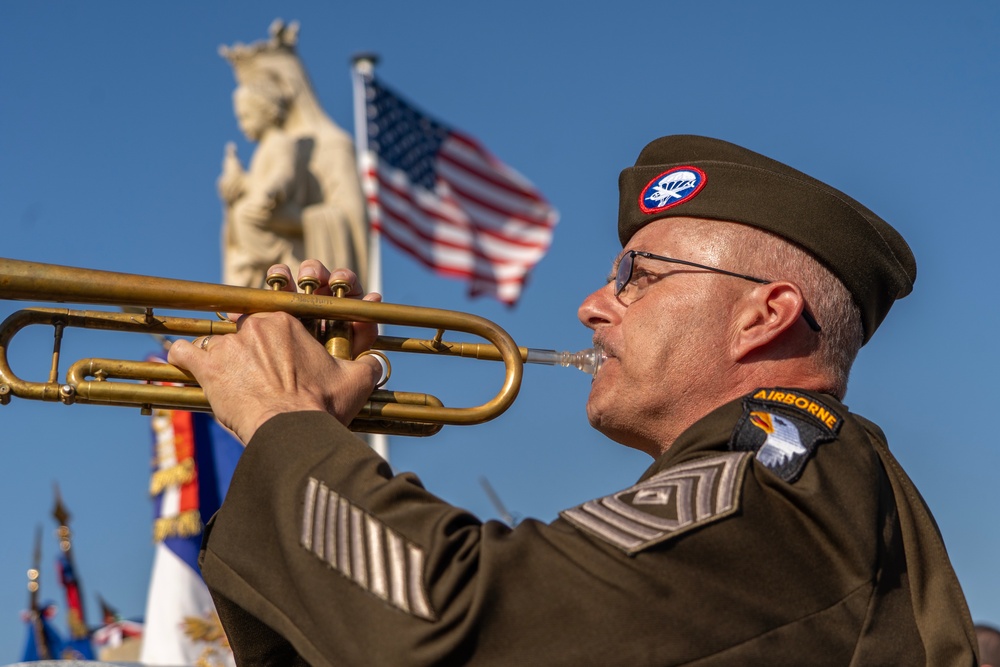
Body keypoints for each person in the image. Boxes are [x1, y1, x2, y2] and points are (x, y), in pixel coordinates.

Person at [169, 135, 980, 665]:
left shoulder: (783, 484)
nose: (595, 303)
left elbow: (460, 621)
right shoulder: (796, 487)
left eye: (640, 275)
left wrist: (289, 425)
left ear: (762, 316)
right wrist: (301, 446)